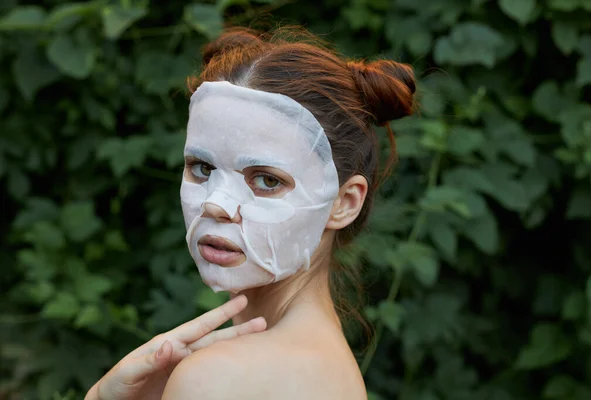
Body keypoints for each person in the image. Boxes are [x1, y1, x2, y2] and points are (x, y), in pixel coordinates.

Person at [86, 26, 415, 400]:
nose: (216, 204)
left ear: (344, 202)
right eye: (202, 168)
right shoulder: (329, 367)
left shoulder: (218, 377)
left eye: (267, 180)